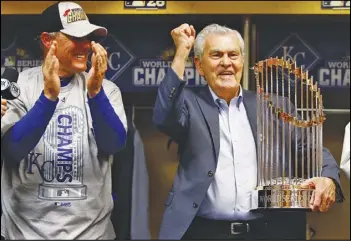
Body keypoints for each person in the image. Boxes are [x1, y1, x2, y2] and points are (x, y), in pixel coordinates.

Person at [152, 23, 344, 240]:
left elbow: (312, 149)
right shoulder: (188, 103)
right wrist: (180, 53)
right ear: (199, 65)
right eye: (216, 55)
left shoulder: (276, 106)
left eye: (233, 55)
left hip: (267, 231)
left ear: (242, 61)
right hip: (204, 232)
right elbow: (163, 116)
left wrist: (327, 179)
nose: (226, 62)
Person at [1, 1, 127, 240]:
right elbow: (12, 150)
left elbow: (114, 145)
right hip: (24, 233)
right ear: (49, 41)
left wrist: (95, 94)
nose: (86, 45)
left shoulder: (106, 90)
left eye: (88, 37)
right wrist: (48, 97)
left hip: (92, 233)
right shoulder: (18, 86)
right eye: (76, 37)